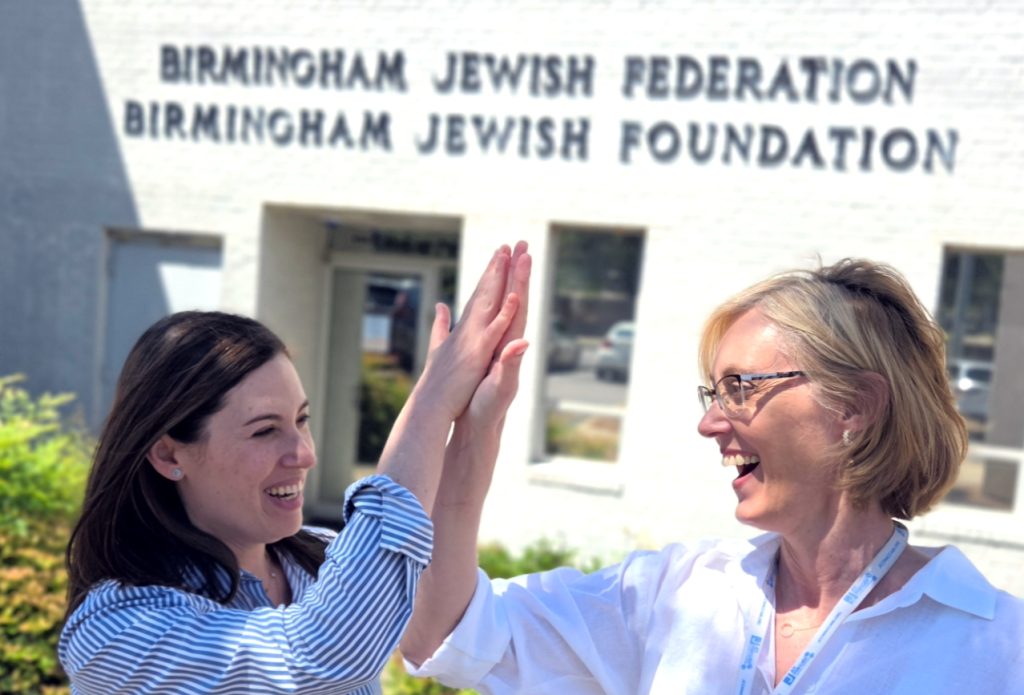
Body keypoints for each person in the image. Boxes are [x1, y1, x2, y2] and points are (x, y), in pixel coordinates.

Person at [401, 258, 1024, 694]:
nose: (711, 426)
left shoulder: (997, 650)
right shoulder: (676, 594)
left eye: (741, 389)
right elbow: (448, 632)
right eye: (713, 394)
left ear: (854, 408)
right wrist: (468, 429)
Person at [59, 242, 532, 694]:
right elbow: (322, 657)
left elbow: (440, 632)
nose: (304, 454)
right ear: (168, 455)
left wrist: (472, 428)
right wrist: (429, 406)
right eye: (265, 430)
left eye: (301, 420)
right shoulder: (115, 629)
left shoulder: (321, 560)